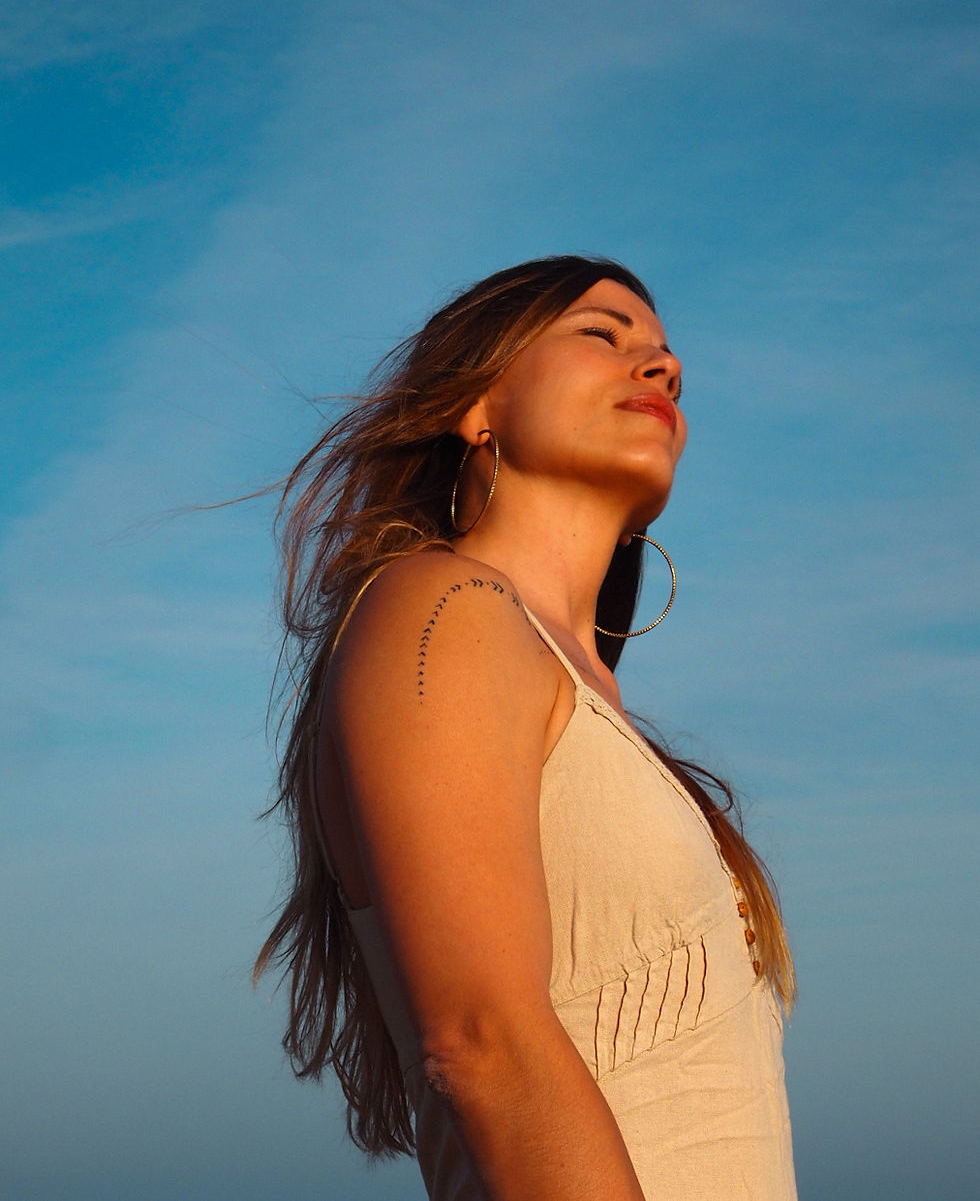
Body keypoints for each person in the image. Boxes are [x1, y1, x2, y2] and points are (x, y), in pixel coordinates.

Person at [255, 255, 797, 1201]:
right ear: (478, 406)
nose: (662, 367)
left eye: (668, 356)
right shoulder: (447, 604)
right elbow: (482, 1041)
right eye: (603, 333)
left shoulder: (574, 690)